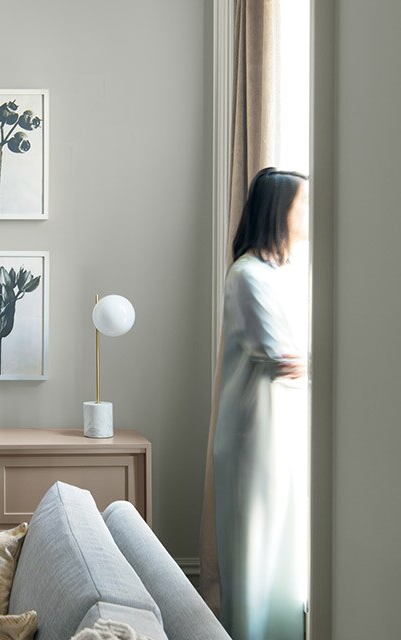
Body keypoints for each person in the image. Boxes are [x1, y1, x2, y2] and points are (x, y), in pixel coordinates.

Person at [213, 168, 309, 640]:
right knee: (256, 552)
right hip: (254, 434)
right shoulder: (249, 275)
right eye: (302, 204)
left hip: (276, 430)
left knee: (281, 547)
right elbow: (283, 357)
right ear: (279, 211)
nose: (308, 213)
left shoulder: (277, 275)